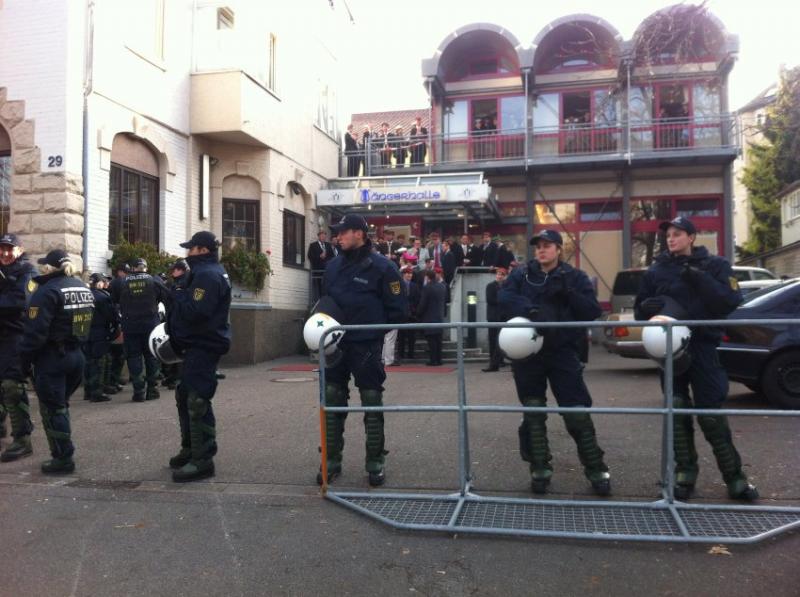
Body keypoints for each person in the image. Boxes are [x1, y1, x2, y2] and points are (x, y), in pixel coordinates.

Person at [634, 216, 758, 501]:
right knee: (676, 411)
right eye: (668, 235)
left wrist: (699, 277)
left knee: (710, 414)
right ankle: (684, 475)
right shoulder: (657, 270)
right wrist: (646, 307)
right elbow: (641, 311)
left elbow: (729, 301)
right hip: (670, 350)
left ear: (691, 237)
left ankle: (735, 478)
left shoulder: (715, 266)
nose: (671, 238)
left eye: (677, 233)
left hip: (702, 346)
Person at [499, 229, 611, 496]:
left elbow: (592, 311)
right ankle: (540, 470)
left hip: (562, 352)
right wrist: (530, 310)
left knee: (577, 414)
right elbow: (504, 298)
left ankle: (597, 470)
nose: (541, 250)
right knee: (534, 413)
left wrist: (569, 292)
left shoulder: (574, 277)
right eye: (538, 246)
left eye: (548, 246)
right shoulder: (522, 274)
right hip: (529, 355)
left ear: (559, 249)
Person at [318, 213, 408, 486]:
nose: (338, 237)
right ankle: (331, 461)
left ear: (359, 233)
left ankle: (375, 462)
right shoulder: (333, 266)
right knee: (332, 400)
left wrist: (374, 335)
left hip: (366, 344)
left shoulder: (383, 267)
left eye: (343, 232)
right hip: (335, 344)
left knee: (371, 400)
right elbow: (324, 301)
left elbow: (398, 309)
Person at [19, 250, 94, 474]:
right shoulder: (82, 287)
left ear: (50, 268)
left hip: (53, 358)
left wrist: (24, 362)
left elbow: (35, 334)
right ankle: (61, 451)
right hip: (77, 355)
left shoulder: (47, 291)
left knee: (54, 408)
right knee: (61, 405)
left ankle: (63, 458)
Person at [167, 231, 232, 482]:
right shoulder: (204, 272)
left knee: (197, 400)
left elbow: (197, 311)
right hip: (196, 344)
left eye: (191, 249)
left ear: (203, 250)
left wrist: (178, 292)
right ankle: (191, 449)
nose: (188, 253)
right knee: (185, 395)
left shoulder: (207, 274)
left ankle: (202, 459)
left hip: (204, 344)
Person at [111, 257, 170, 402]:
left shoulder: (120, 282)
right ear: (145, 267)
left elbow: (114, 302)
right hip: (151, 325)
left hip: (130, 325)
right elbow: (168, 300)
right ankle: (152, 390)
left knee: (133, 356)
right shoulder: (155, 281)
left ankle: (138, 391)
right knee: (151, 356)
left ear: (131, 268)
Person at [0, 233, 37, 462]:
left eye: (9, 249)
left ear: (20, 250)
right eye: (1, 249)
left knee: (12, 384)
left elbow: (20, 301)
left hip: (16, 336)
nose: (4, 253)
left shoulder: (27, 272)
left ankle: (23, 439)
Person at [83, 273, 119, 403]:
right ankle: (96, 392)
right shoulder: (103, 297)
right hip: (99, 332)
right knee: (98, 362)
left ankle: (88, 390)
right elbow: (112, 315)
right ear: (98, 283)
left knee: (87, 361)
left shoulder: (83, 295)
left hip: (84, 331)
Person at [161, 259, 189, 391]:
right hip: (175, 321)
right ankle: (172, 377)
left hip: (180, 322)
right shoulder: (177, 283)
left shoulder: (182, 283)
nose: (172, 272)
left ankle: (177, 378)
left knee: (178, 350)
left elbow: (177, 303)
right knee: (173, 348)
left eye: (174, 270)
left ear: (180, 270)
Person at [417, 270, 446, 366]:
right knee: (438, 340)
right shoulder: (442, 286)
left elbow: (423, 303)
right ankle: (439, 359)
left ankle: (433, 360)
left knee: (431, 341)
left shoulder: (427, 288)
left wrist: (418, 313)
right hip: (440, 317)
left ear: (427, 277)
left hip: (429, 317)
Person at [482, 267, 508, 373]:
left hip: (503, 317)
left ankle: (500, 360)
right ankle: (493, 361)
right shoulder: (491, 286)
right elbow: (490, 300)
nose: (499, 276)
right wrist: (503, 300)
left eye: (502, 274)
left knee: (502, 340)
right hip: (493, 317)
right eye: (498, 274)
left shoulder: (506, 286)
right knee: (493, 340)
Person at [397, 266, 421, 361]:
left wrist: (414, 310)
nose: (409, 275)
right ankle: (401, 353)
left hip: (412, 314)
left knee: (412, 336)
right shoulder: (399, 285)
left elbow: (418, 299)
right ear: (403, 275)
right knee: (401, 336)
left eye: (411, 274)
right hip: (402, 314)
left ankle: (411, 353)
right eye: (407, 273)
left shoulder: (415, 286)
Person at [307, 230, 335, 300]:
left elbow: (332, 256)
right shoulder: (313, 245)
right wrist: (319, 256)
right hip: (318, 270)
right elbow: (310, 256)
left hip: (327, 270)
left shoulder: (328, 245)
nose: (323, 237)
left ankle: (326, 298)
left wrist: (327, 258)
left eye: (325, 236)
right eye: (322, 236)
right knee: (319, 286)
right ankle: (319, 300)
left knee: (327, 285)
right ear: (318, 236)